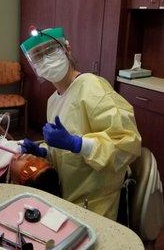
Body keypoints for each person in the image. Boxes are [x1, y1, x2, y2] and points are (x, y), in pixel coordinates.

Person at [19, 26, 141, 220]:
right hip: (69, 196)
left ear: (67, 49)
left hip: (97, 200)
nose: (46, 60)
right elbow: (65, 155)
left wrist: (77, 144)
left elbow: (127, 144)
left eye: (50, 50)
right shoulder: (53, 101)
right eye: (38, 56)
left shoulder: (91, 86)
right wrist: (44, 152)